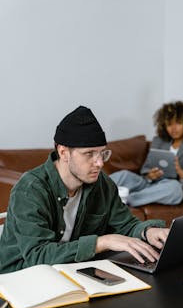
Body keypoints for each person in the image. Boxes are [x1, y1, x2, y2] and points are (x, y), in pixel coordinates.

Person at [0, 106, 169, 274]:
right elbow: (38, 256)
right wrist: (101, 242)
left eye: (102, 153)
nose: (100, 163)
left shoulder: (102, 184)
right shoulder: (30, 190)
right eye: (89, 154)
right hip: (20, 278)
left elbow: (125, 224)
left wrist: (148, 231)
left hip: (72, 271)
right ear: (64, 152)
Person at [110, 101, 183, 207]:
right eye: (169, 124)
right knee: (124, 175)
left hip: (171, 187)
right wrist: (150, 175)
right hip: (150, 183)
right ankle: (94, 191)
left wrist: (180, 172)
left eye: (178, 123)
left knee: (174, 188)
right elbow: (145, 169)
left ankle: (127, 200)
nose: (173, 128)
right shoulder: (159, 141)